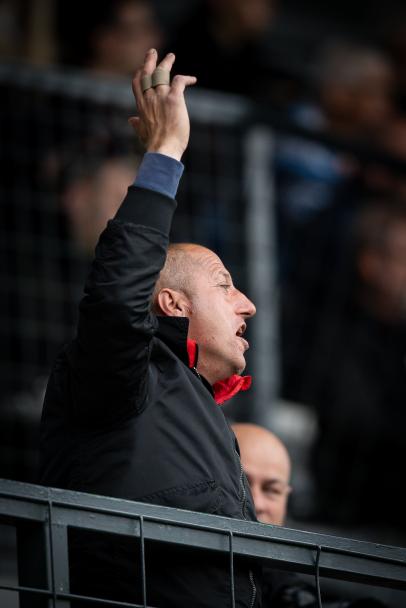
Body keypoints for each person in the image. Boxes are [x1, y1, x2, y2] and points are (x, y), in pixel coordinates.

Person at [39, 49, 261, 608]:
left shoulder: (198, 411)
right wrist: (165, 154)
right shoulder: (126, 380)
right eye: (224, 285)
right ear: (171, 303)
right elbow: (117, 301)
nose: (249, 305)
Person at [232, 424, 387, 608]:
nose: (257, 503)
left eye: (272, 490)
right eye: (242, 483)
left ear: (286, 500)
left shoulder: (286, 589)